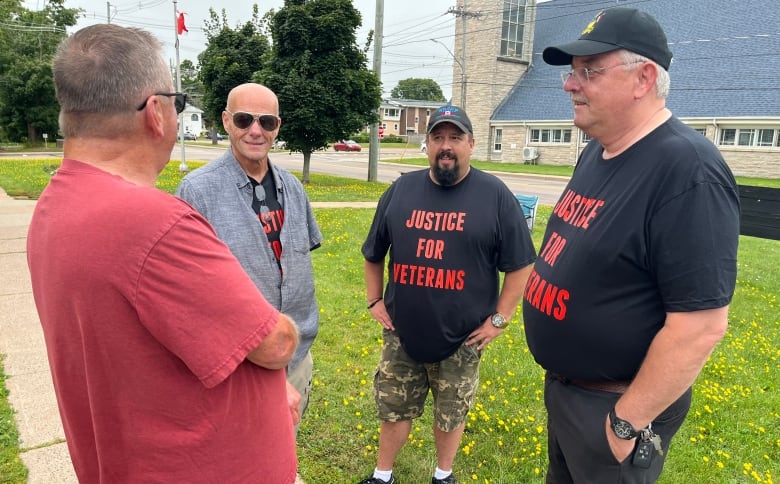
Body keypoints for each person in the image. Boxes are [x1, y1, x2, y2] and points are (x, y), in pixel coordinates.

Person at [27, 24, 301, 483]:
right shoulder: (154, 223)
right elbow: (275, 344)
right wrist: (288, 327)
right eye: (177, 101)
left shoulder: (56, 205)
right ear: (156, 112)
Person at [523, 7, 740, 483]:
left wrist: (623, 424)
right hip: (567, 393)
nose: (570, 84)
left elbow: (701, 326)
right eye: (572, 72)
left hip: (614, 408)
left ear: (643, 78)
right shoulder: (598, 154)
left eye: (589, 72)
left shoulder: (687, 170)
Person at [360, 105, 537, 484]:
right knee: (393, 409)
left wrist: (499, 319)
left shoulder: (495, 196)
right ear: (427, 145)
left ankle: (443, 475)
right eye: (438, 137)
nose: (446, 146)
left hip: (463, 337)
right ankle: (382, 475)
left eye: (455, 137)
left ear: (471, 144)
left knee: (451, 412)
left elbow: (521, 264)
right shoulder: (400, 191)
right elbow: (373, 253)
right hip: (402, 333)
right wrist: (375, 301)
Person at [176, 82, 322, 431]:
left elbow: (297, 260)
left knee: (285, 454)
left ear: (277, 128)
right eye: (244, 120)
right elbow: (189, 294)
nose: (255, 131)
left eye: (266, 122)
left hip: (297, 355)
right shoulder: (197, 191)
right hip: (239, 364)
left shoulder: (292, 187)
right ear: (226, 121)